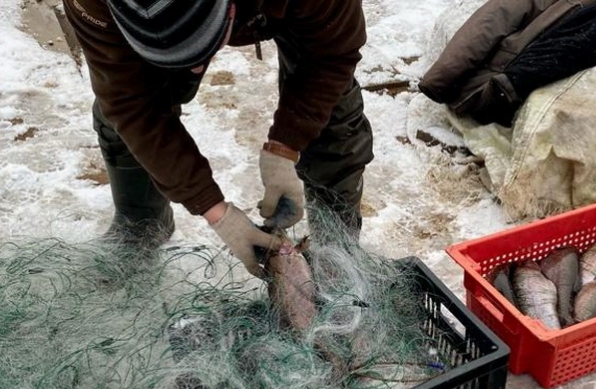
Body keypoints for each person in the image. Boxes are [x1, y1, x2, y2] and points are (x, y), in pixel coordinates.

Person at [62, 0, 374, 276]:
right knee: (129, 107)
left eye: (202, 54)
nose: (198, 69)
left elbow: (331, 56)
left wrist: (286, 145)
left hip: (287, 8)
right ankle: (140, 223)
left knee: (332, 112)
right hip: (153, 27)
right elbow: (130, 104)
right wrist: (217, 213)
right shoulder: (92, 5)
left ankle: (338, 253)